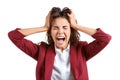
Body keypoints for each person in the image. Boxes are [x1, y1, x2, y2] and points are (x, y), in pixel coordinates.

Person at [8, 7, 111, 80]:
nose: (60, 32)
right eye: (55, 28)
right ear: (50, 31)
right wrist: (43, 27)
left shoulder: (81, 50)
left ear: (71, 31)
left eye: (65, 27)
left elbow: (105, 39)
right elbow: (14, 36)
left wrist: (76, 26)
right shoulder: (42, 52)